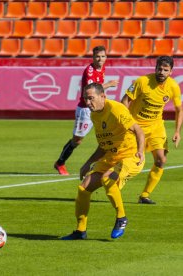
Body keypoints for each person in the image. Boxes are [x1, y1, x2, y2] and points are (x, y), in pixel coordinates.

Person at [62, 83, 145, 240]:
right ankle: (80, 231)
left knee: (107, 178)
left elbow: (138, 131)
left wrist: (140, 151)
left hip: (130, 156)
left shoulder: (116, 109)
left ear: (103, 96)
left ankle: (121, 218)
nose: (88, 102)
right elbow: (103, 145)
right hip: (111, 157)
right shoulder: (94, 114)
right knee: (83, 188)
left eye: (91, 98)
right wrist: (87, 163)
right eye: (86, 99)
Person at [121, 56, 182, 204]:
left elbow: (179, 109)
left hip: (156, 127)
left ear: (171, 72)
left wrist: (177, 131)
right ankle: (113, 183)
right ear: (155, 68)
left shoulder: (173, 86)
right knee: (128, 160)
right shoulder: (142, 82)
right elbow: (125, 101)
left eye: (165, 70)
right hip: (136, 127)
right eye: (159, 68)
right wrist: (126, 122)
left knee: (161, 160)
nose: (161, 72)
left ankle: (144, 195)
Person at [54, 46, 119, 175]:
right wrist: (109, 85)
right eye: (97, 56)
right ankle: (60, 163)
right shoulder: (89, 71)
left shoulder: (102, 68)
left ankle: (107, 162)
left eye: (102, 56)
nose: (100, 59)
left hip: (99, 107)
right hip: (86, 109)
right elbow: (91, 89)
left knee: (109, 133)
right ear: (93, 57)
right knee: (77, 140)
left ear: (106, 57)